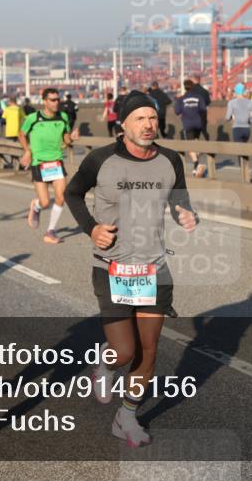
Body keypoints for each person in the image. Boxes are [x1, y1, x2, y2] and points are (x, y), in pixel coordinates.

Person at [63, 91, 198, 449]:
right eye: (139, 118)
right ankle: (105, 366)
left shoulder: (170, 159)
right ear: (122, 124)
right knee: (123, 352)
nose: (148, 124)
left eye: (152, 118)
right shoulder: (100, 160)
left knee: (148, 351)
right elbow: (72, 194)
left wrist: (186, 214)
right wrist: (91, 228)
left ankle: (126, 416)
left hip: (154, 268)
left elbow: (179, 200)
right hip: (111, 267)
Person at [20, 88, 73, 244]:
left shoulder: (63, 117)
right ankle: (36, 206)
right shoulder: (33, 118)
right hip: (40, 163)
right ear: (44, 101)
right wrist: (27, 151)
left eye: (58, 100)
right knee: (45, 202)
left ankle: (50, 232)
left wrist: (73, 138)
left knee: (61, 197)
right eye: (52, 100)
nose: (56, 103)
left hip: (56, 161)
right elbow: (21, 133)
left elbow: (67, 140)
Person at [173, 79, 208, 177]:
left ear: (184, 87)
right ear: (192, 86)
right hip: (198, 123)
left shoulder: (181, 99)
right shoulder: (198, 97)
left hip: (188, 124)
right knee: (195, 143)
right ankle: (195, 168)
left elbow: (177, 111)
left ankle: (197, 163)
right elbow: (203, 109)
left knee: (189, 146)